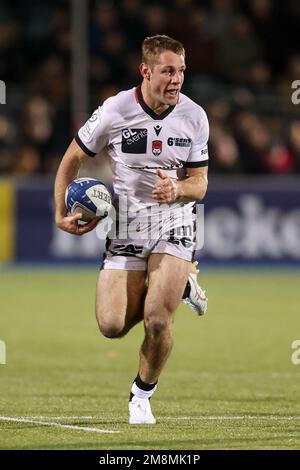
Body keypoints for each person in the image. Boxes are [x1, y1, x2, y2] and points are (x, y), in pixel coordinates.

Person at [54, 35, 209, 424]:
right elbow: (72, 157)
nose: (177, 79)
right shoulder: (115, 110)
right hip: (125, 226)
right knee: (111, 326)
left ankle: (142, 394)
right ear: (146, 71)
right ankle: (177, 285)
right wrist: (60, 213)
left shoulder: (194, 116)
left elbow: (200, 182)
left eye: (182, 71)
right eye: (169, 71)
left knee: (158, 319)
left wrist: (178, 188)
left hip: (174, 221)